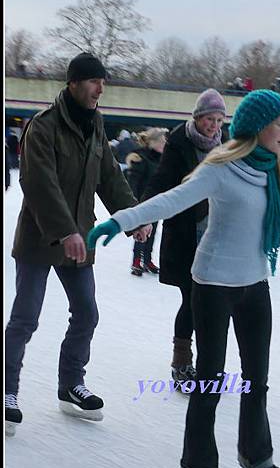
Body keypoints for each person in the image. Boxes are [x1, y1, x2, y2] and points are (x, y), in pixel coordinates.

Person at [87, 89, 280, 468]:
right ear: (259, 127)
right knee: (209, 381)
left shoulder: (275, 171)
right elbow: (171, 199)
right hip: (213, 283)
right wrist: (121, 220)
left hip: (255, 284)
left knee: (257, 379)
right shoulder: (220, 167)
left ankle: (256, 456)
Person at [4, 52, 149, 437]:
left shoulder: (95, 125)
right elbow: (39, 182)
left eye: (103, 82)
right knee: (25, 318)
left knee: (86, 313)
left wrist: (132, 218)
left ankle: (70, 385)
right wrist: (64, 230)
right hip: (40, 236)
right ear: (73, 83)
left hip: (79, 239)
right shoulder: (44, 126)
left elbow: (110, 177)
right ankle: (6, 390)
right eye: (93, 81)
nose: (100, 89)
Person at [140, 88, 227, 385]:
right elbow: (162, 182)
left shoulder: (226, 144)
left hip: (217, 231)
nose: (214, 126)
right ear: (197, 117)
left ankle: (209, 363)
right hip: (186, 231)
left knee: (213, 302)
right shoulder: (179, 142)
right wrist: (143, 215)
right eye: (209, 119)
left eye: (219, 120)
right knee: (191, 299)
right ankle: (181, 362)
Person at [125, 127, 168, 276]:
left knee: (153, 232)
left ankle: (147, 259)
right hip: (142, 202)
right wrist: (135, 203)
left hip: (156, 202)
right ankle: (137, 260)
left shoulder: (162, 159)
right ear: (153, 142)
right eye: (162, 142)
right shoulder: (140, 158)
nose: (164, 145)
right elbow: (133, 183)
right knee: (141, 231)